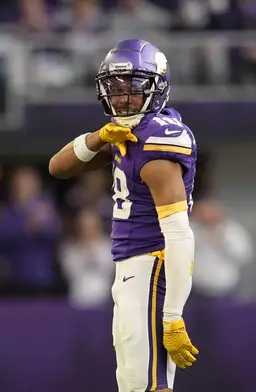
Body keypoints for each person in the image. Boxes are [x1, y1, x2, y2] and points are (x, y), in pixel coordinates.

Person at [49, 39, 198, 392]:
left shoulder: (156, 141)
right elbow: (58, 167)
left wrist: (173, 315)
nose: (121, 98)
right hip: (132, 268)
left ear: (156, 88)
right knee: (135, 383)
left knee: (148, 385)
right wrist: (98, 137)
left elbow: (179, 235)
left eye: (132, 88)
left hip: (151, 266)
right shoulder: (124, 134)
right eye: (114, 88)